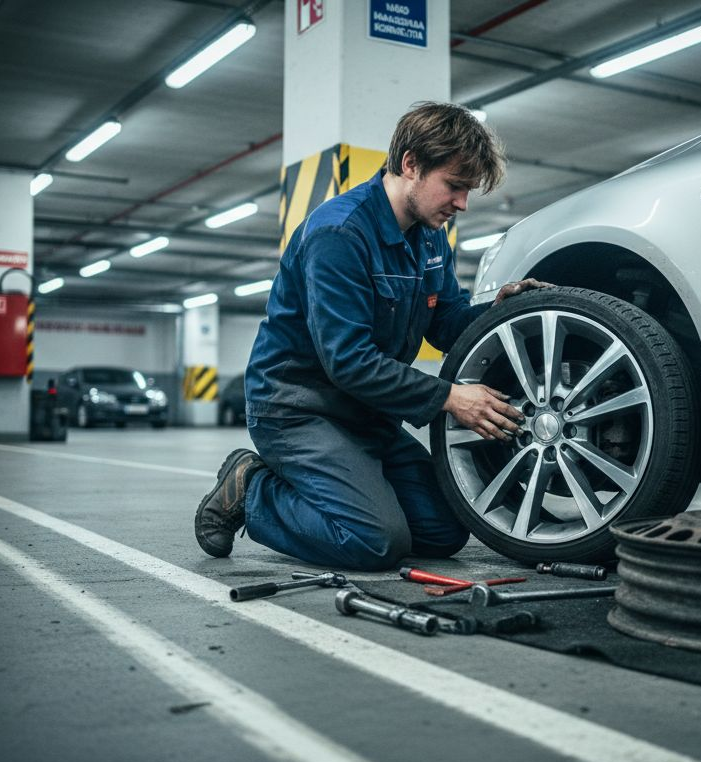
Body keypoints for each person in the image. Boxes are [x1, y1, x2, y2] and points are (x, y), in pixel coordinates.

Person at [193, 102, 551, 570]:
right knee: (374, 540)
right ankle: (251, 488)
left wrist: (500, 311)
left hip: (368, 414)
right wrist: (449, 397)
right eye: (454, 185)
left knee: (444, 530)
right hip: (299, 411)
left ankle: (351, 491)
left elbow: (447, 322)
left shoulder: (429, 237)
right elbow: (347, 360)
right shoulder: (339, 234)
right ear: (410, 164)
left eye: (468, 191)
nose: (462, 203)